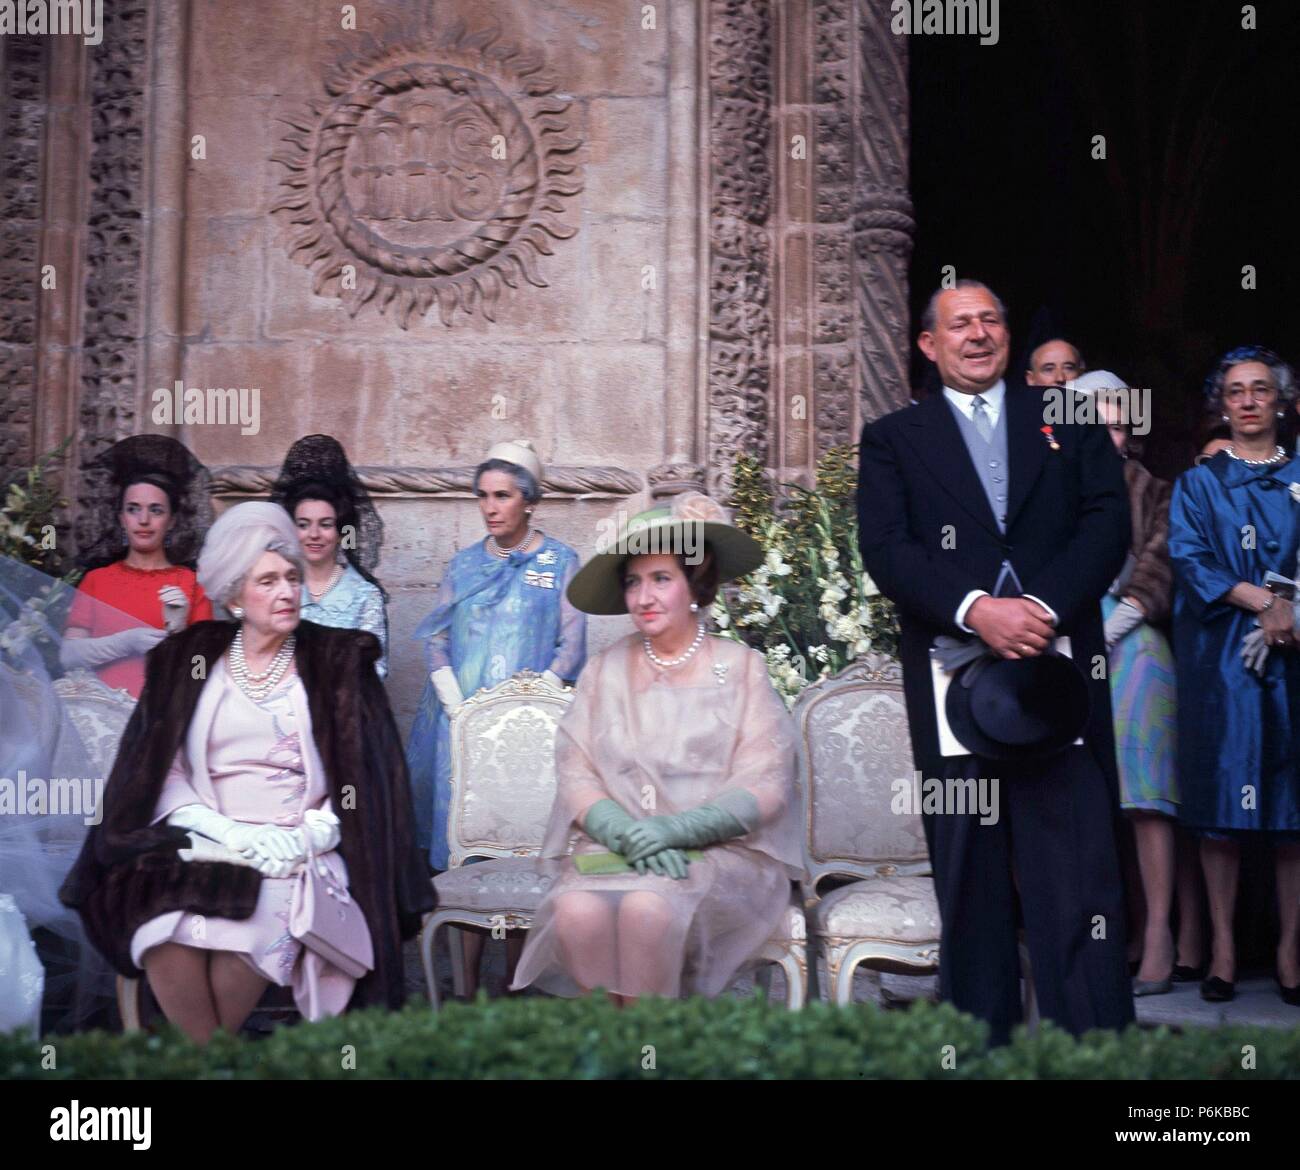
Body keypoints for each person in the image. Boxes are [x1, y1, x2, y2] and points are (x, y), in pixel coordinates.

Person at [856, 279, 1134, 1045]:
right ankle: (983, 1052)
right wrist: (978, 609)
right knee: (971, 876)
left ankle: (1092, 1051)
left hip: (1059, 673)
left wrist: (1040, 608)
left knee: (1077, 873)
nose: (978, 334)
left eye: (990, 321)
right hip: (953, 682)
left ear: (1006, 336)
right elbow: (887, 550)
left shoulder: (1067, 417)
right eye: (960, 323)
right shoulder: (893, 438)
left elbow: (1108, 523)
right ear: (928, 344)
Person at [58, 503, 434, 1042]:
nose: (286, 591)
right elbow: (159, 769)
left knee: (254, 927)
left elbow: (364, 777)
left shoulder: (336, 662)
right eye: (268, 581)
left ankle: (203, 1063)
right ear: (235, 597)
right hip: (208, 840)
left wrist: (312, 833)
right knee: (162, 929)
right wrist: (226, 830)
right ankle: (215, 1063)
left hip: (295, 853)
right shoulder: (189, 660)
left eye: (291, 578)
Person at [509, 492, 803, 1002]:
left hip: (719, 851)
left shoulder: (739, 667)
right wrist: (622, 830)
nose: (643, 597)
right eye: (632, 581)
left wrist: (678, 829)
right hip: (618, 846)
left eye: (660, 579)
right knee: (576, 910)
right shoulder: (605, 669)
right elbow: (576, 769)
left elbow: (767, 782)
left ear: (695, 584)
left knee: (649, 906)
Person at [406, 439, 586, 992]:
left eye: (503, 496)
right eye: (482, 496)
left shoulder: (559, 562)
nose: (491, 507)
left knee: (517, 848)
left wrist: (532, 713)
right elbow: (435, 637)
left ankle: (512, 985)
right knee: (466, 850)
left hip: (528, 733)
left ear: (529, 501)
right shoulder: (462, 565)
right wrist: (457, 702)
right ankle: (463, 989)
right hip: (459, 728)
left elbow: (572, 644)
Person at [1168, 346, 1300, 1005]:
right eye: (1235, 391)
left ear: (1282, 401)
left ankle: (1288, 950)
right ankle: (1221, 945)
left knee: (1291, 809)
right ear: (1222, 403)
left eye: (1260, 389)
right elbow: (1190, 560)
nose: (1247, 401)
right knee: (1222, 804)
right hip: (1219, 659)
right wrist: (1263, 603)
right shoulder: (1199, 484)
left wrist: (1293, 612)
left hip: (1294, 658)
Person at [1091, 383, 1203, 995]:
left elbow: (1161, 565)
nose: (1106, 436)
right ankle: (1131, 929)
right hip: (1074, 653)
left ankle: (1161, 937)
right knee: (1100, 799)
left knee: (1148, 797)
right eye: (1094, 424)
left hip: (1135, 648)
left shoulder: (1158, 490)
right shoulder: (1058, 492)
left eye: (1115, 426)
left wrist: (1112, 627)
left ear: (1130, 433)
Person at [63, 435, 214, 699]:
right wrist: (125, 643)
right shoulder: (96, 580)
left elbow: (201, 672)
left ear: (172, 520)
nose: (143, 520)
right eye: (134, 509)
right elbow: (68, 657)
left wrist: (179, 635)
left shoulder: (192, 584)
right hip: (98, 714)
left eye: (156, 510)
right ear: (121, 518)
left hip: (162, 715)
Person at [269, 434, 390, 678]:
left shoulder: (364, 595)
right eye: (303, 524)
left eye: (325, 524)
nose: (314, 534)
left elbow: (377, 669)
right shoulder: (274, 588)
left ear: (340, 530)